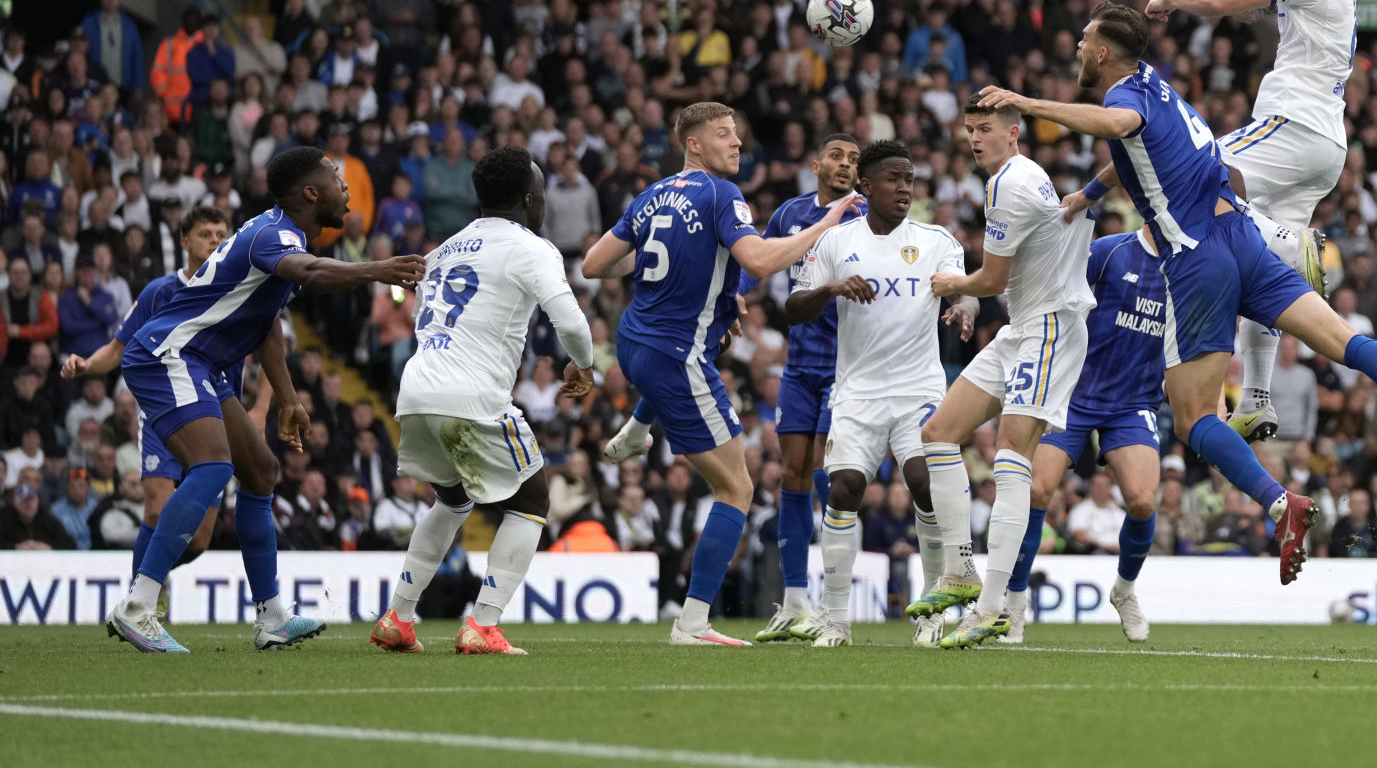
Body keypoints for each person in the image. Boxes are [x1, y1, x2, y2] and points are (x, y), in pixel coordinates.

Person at [975, 2, 1377, 588]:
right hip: (1244, 237)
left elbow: (1119, 129)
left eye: (1081, 38)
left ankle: (1282, 505)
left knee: (1194, 417)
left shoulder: (1123, 101)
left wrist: (1025, 103)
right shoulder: (1159, 89)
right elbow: (1134, 152)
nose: (1075, 48)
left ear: (1102, 53)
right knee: (1346, 340)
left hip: (1199, 258)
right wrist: (1089, 195)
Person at [104, 146, 425, 653]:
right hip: (169, 353)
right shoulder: (275, 235)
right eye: (337, 179)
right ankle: (138, 606)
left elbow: (266, 327)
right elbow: (315, 275)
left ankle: (271, 616)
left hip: (199, 363)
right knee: (211, 468)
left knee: (260, 471)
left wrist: (291, 398)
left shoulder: (283, 236)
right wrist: (377, 268)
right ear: (311, 192)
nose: (347, 189)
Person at [582, 102, 860, 646]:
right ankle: (692, 622)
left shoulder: (653, 193)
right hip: (673, 357)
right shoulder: (720, 193)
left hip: (633, 343)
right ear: (693, 144)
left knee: (716, 329)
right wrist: (827, 222)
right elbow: (758, 262)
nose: (736, 143)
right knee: (737, 487)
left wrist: (681, 275)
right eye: (723, 134)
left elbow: (595, 264)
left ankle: (639, 428)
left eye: (736, 133)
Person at [1151, 0, 1357, 444]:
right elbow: (1250, 6)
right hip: (1320, 143)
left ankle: (1300, 248)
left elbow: (1221, 7)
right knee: (1255, 265)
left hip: (1291, 127)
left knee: (1192, 170)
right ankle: (1259, 398)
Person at [370, 146, 595, 656]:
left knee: (451, 500)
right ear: (529, 198)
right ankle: (484, 624)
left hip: (417, 390)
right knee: (533, 500)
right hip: (470, 395)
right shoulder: (531, 247)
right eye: (539, 192)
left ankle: (398, 617)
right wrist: (583, 365)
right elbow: (572, 323)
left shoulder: (444, 249)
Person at [904, 94, 1095, 650]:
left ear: (1014, 133)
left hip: (1051, 328)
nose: (974, 137)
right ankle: (961, 570)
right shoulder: (1014, 177)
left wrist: (953, 285)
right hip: (1019, 329)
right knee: (938, 433)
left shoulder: (1010, 183)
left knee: (1011, 456)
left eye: (986, 128)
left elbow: (989, 280)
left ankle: (993, 607)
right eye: (969, 128)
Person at [781, 139, 975, 647]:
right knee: (843, 487)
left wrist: (965, 308)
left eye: (909, 179)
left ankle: (932, 609)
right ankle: (835, 617)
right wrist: (832, 288)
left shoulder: (934, 239)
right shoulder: (835, 243)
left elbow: (964, 287)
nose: (905, 188)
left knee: (923, 479)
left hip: (919, 389)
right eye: (893, 179)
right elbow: (793, 307)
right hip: (858, 391)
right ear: (866, 186)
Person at [62, 207, 278, 602]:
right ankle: (139, 602)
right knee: (158, 510)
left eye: (220, 234)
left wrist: (261, 409)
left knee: (198, 539)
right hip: (168, 413)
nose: (215, 240)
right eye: (205, 234)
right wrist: (86, 365)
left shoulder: (241, 288)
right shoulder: (160, 292)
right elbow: (118, 348)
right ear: (184, 243)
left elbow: (272, 350)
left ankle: (146, 585)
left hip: (219, 414)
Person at [1000, 225, 1166, 645]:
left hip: (1133, 402)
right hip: (1072, 392)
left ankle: (1124, 591)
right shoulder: (1109, 252)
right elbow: (1047, 291)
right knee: (1035, 490)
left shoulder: (1189, 268)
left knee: (1144, 501)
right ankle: (1015, 604)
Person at [736, 132, 864, 643]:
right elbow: (760, 264)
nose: (845, 165)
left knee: (828, 476)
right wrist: (737, 297)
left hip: (847, 366)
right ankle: (793, 602)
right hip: (800, 365)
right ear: (816, 164)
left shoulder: (865, 217)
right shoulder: (790, 213)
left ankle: (836, 604)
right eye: (836, 156)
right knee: (791, 473)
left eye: (854, 160)